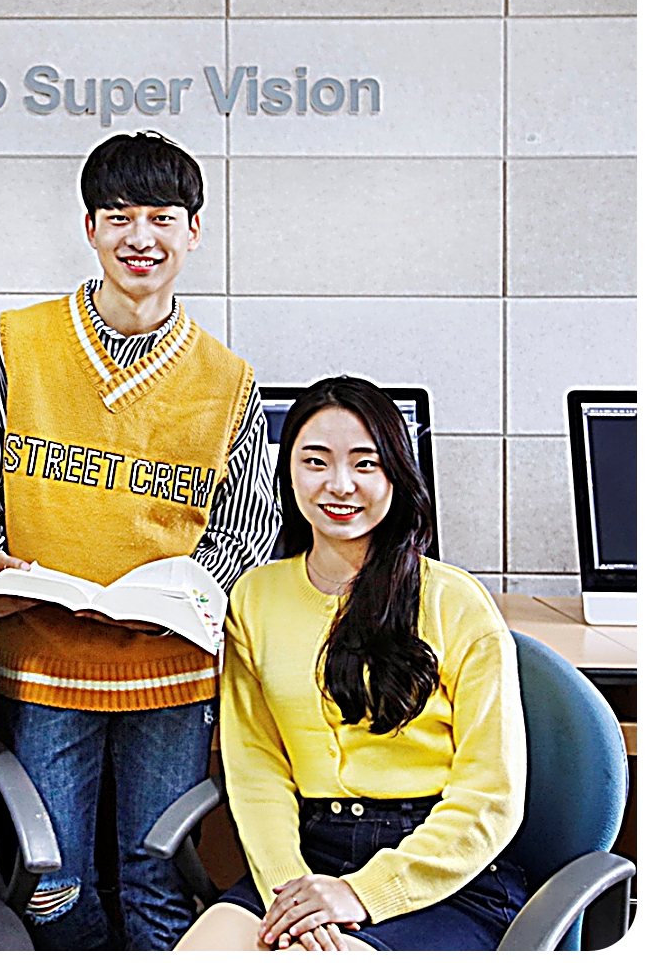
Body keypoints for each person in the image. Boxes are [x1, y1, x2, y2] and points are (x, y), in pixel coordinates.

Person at [0, 131, 280, 950]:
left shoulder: (228, 380)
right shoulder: (19, 344)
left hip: (169, 673)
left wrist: (181, 595)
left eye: (162, 216)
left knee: (157, 882)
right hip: (45, 662)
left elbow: (246, 531)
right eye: (119, 216)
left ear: (194, 230)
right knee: (52, 886)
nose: (140, 237)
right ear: (89, 228)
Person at [176, 376, 527, 952]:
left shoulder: (455, 602)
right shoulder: (254, 598)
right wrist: (291, 889)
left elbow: (491, 797)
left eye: (366, 464)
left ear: (396, 474)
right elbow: (257, 770)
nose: (339, 485)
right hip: (308, 858)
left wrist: (362, 893)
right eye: (315, 461)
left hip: (439, 868)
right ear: (287, 471)